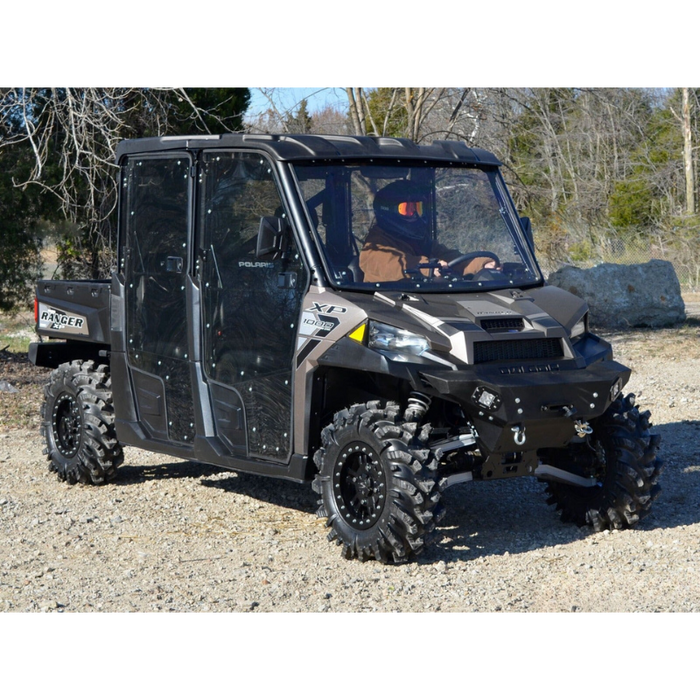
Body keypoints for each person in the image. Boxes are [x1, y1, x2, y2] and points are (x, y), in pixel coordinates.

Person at [359, 180, 498, 283]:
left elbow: (450, 258)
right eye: (408, 209)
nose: (416, 215)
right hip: (386, 310)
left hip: (422, 302)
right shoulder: (375, 246)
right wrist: (427, 267)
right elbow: (391, 263)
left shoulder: (419, 241)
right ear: (389, 212)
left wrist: (482, 264)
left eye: (419, 208)